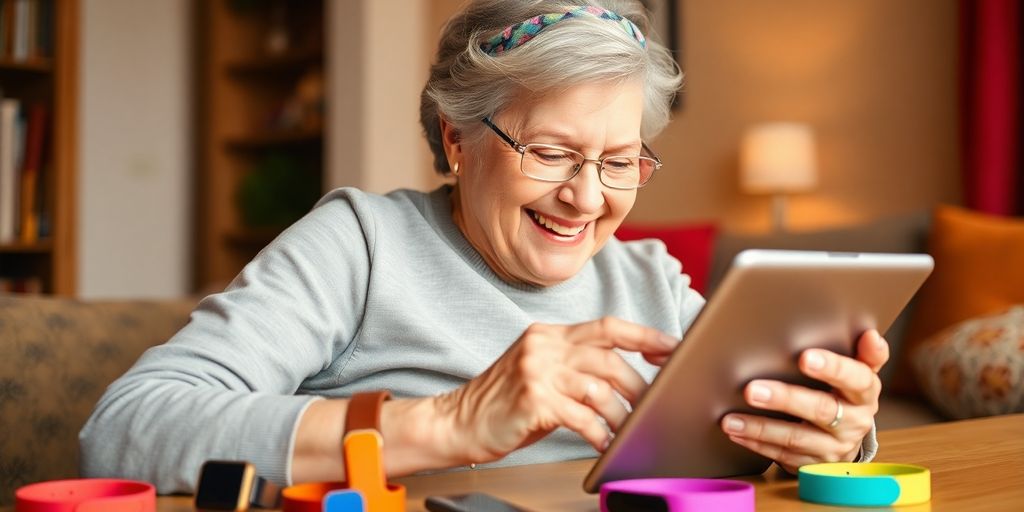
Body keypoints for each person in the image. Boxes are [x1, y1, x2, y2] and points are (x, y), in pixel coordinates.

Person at [80, 0, 885, 493]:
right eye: (552, 153)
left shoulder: (649, 277)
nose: (587, 195)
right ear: (456, 137)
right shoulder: (360, 243)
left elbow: (745, 449)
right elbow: (125, 427)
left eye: (617, 161)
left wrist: (829, 435)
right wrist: (446, 424)